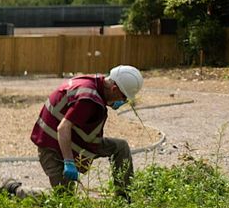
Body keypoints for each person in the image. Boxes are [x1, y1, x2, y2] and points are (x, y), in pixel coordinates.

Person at [26, 65, 142, 199]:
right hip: (53, 147)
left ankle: (124, 197)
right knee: (64, 200)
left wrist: (110, 102)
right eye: (123, 97)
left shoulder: (96, 83)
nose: (123, 101)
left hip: (78, 141)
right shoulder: (88, 100)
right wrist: (69, 162)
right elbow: (63, 128)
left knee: (120, 147)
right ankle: (15, 189)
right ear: (114, 89)